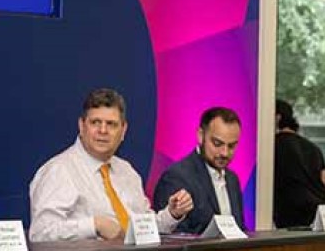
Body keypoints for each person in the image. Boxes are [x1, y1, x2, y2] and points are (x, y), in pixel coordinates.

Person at [29, 88, 193, 241]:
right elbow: (40, 232)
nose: (103, 130)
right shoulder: (59, 170)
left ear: (123, 131)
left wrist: (172, 214)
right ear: (81, 126)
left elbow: (143, 230)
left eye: (111, 124)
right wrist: (94, 225)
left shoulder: (127, 171)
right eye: (95, 122)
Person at [152, 107, 248, 235]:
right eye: (217, 143)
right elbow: (173, 238)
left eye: (231, 146)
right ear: (201, 136)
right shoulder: (176, 177)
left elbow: (239, 229)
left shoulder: (232, 180)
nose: (224, 153)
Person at [273, 99, 325, 228]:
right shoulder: (313, 148)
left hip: (290, 213)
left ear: (277, 118)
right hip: (320, 212)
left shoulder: (272, 147)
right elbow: (324, 180)